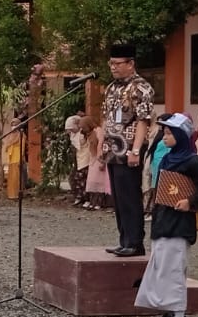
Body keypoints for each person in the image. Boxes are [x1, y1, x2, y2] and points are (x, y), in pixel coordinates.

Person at [135, 114, 198, 317]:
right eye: (164, 133)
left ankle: (180, 316)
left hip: (179, 223)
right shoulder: (168, 158)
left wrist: (191, 201)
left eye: (169, 133)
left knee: (174, 269)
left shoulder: (193, 161)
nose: (164, 137)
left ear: (181, 135)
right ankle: (169, 310)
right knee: (162, 267)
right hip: (163, 219)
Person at [101, 46, 155, 256]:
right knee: (119, 198)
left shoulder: (140, 87)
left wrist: (136, 150)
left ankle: (135, 242)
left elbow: (143, 120)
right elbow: (106, 118)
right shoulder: (111, 88)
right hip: (112, 148)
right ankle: (124, 240)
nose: (113, 67)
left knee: (130, 196)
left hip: (129, 148)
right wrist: (102, 145)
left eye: (117, 63)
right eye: (111, 63)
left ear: (130, 63)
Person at [83, 114, 110, 211]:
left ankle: (99, 202)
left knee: (98, 181)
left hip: (99, 158)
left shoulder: (98, 131)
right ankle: (92, 202)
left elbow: (101, 144)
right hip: (92, 159)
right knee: (92, 182)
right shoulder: (89, 134)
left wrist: (101, 159)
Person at [65, 115, 90, 207]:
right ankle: (78, 197)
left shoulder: (84, 133)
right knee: (75, 178)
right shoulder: (72, 134)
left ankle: (87, 199)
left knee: (84, 178)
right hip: (77, 157)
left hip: (86, 156)